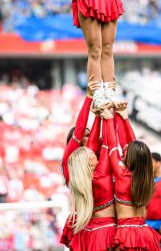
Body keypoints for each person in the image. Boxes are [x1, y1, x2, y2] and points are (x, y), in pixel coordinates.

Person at [102, 108, 161, 251]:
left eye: (127, 151)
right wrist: (124, 118)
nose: (124, 150)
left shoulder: (122, 176)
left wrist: (110, 120)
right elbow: (137, 149)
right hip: (145, 233)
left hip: (126, 233)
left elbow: (112, 146)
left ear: (131, 158)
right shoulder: (148, 180)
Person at [67, 116, 116, 251]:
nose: (92, 150)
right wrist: (109, 119)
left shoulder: (77, 176)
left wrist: (98, 117)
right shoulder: (100, 176)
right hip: (105, 231)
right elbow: (109, 145)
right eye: (91, 153)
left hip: (86, 230)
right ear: (89, 161)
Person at [60, 76, 99, 247]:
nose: (87, 138)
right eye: (83, 136)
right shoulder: (69, 164)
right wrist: (90, 97)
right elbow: (80, 127)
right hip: (82, 224)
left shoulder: (96, 161)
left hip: (102, 224)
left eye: (89, 135)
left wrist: (101, 113)